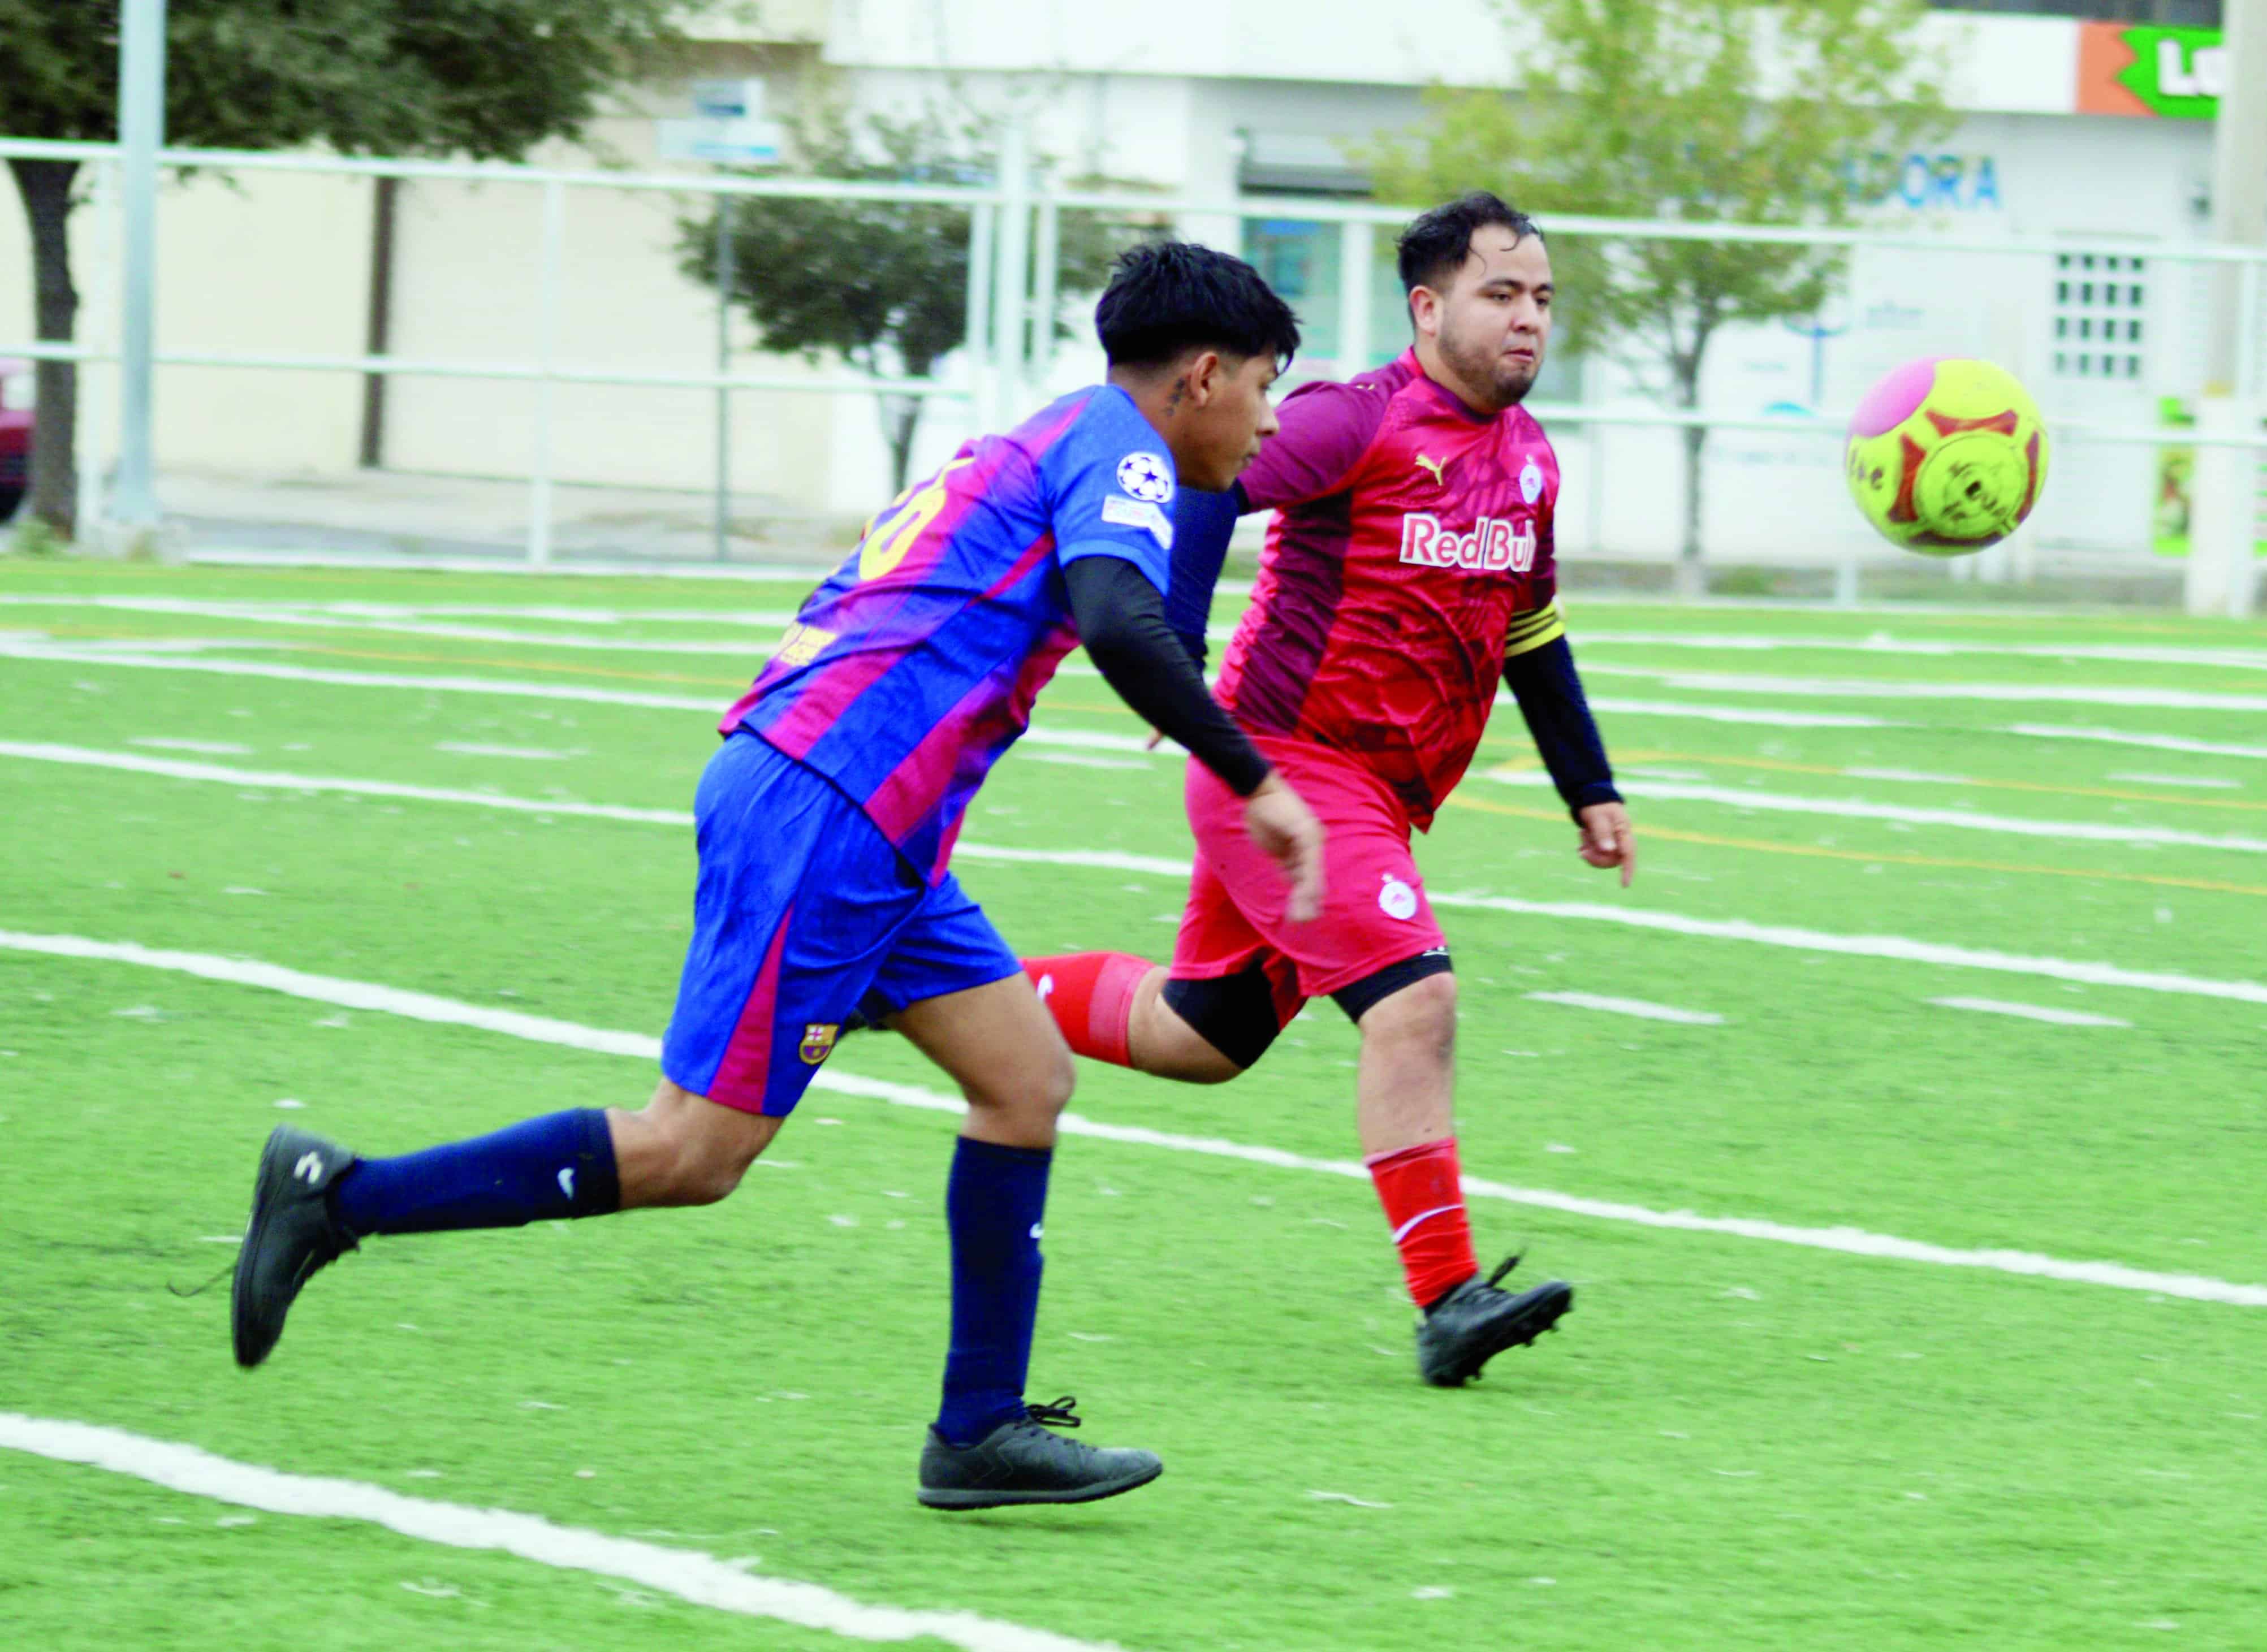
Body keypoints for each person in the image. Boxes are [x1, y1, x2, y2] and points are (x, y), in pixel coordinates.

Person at [228, 241, 1325, 1511]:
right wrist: (1256, 780)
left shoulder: (1045, 437)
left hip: (859, 809)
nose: (1269, 418)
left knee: (1026, 1080)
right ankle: (340, 1199)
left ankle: (978, 1431)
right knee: (694, 1152)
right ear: (1201, 376)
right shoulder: (1125, 450)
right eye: (1265, 385)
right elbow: (1119, 620)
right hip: (839, 805)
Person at [1020, 194, 1635, 1387]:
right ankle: (1448, 1296)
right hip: (1287, 771)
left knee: (1200, 1035)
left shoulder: (1531, 458)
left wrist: (1588, 785)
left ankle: (939, 987)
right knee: (1418, 1003)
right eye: (1500, 296)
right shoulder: (1355, 422)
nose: (1528, 321)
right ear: (1428, 306)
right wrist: (1174, 645)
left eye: (1543, 300)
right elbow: (1201, 482)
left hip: (1376, 797)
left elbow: (1534, 631)